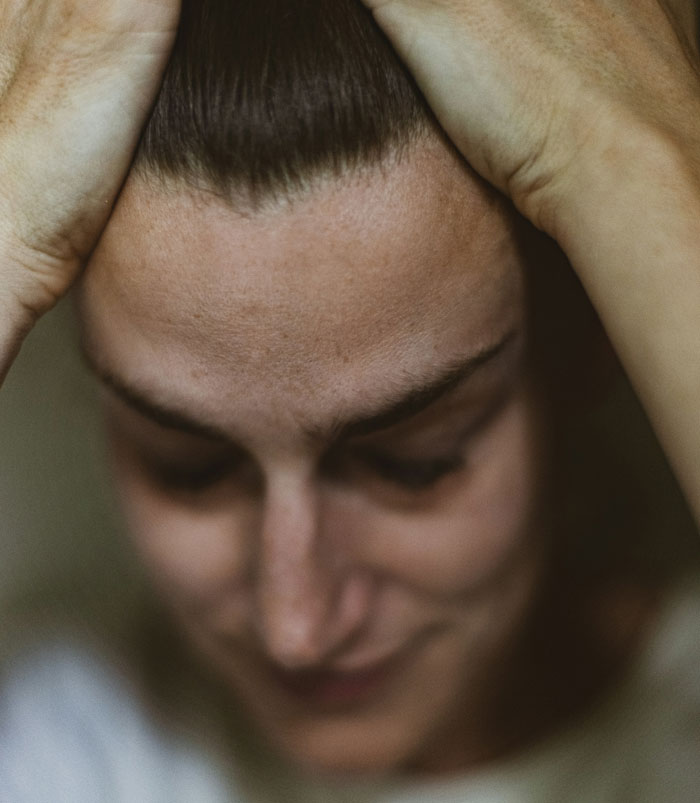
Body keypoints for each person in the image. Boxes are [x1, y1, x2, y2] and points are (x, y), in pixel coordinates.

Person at [1, 0, 699, 800]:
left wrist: (636, 169)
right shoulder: (60, 737)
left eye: (414, 464)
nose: (297, 626)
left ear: (583, 352)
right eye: (189, 469)